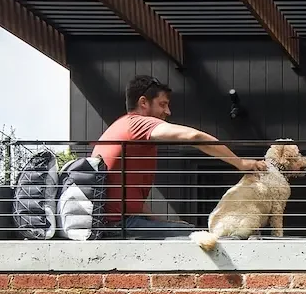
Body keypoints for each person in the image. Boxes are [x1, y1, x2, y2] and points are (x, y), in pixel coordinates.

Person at [93, 75, 261, 238]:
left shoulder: (120, 127)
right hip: (119, 226)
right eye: (163, 104)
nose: (168, 111)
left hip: (115, 223)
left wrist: (160, 222)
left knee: (185, 229)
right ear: (143, 102)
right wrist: (241, 163)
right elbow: (195, 137)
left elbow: (127, 200)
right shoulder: (136, 123)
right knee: (201, 238)